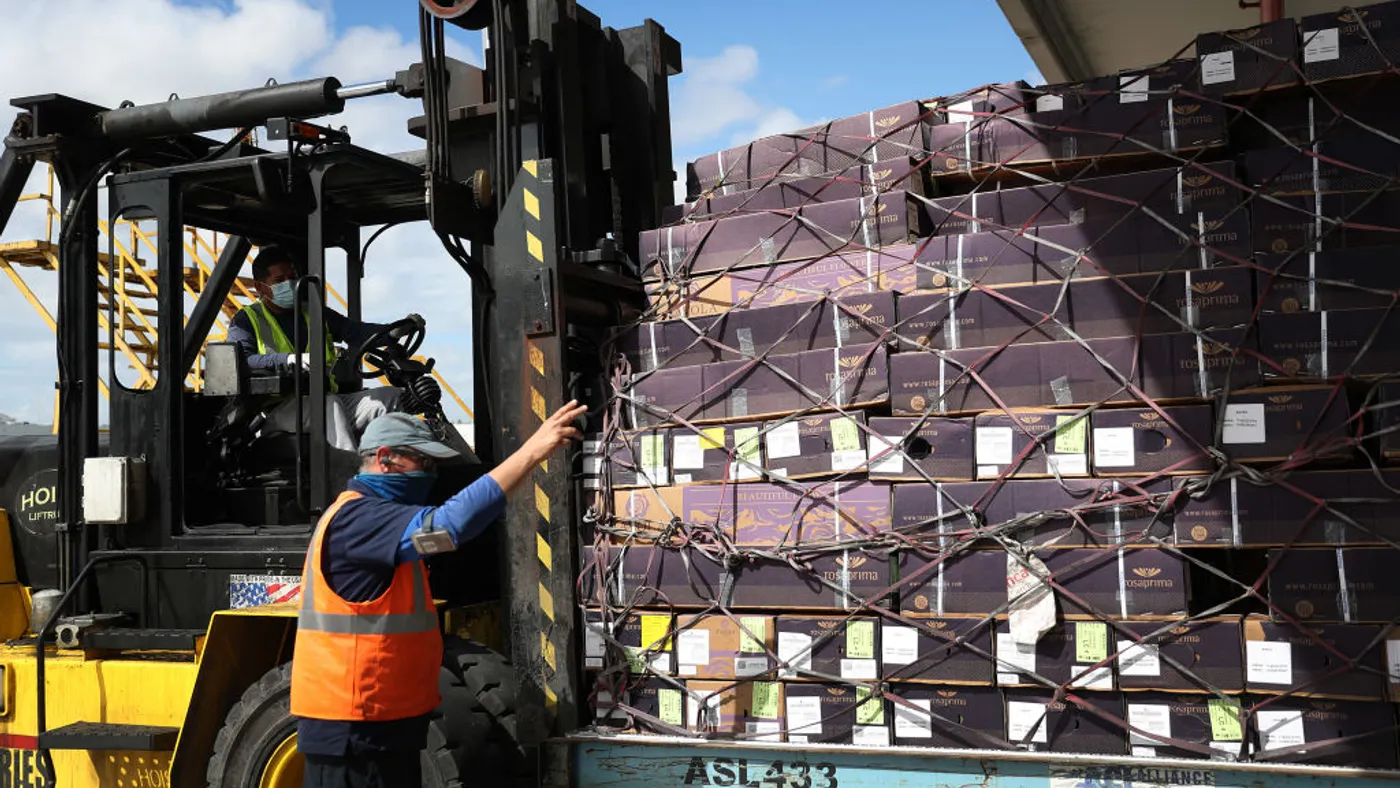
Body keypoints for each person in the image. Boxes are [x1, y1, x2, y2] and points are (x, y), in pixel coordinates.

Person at [289, 400, 588, 787]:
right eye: (423, 462)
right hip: (353, 731)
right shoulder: (359, 518)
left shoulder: (383, 521)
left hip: (384, 727)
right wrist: (531, 452)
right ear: (385, 458)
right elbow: (449, 527)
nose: (430, 474)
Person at [226, 244, 420, 452]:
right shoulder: (246, 320)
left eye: (292, 277)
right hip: (278, 410)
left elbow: (353, 330)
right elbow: (242, 360)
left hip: (326, 399)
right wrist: (290, 360)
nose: (289, 284)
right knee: (327, 406)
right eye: (279, 280)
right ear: (260, 287)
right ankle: (348, 468)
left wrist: (392, 333)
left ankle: (397, 464)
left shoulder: (315, 313)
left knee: (391, 397)